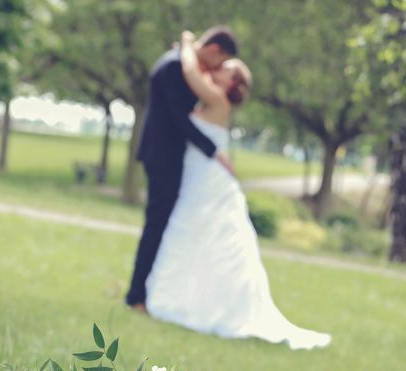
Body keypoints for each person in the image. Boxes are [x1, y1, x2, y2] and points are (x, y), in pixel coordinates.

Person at [144, 31, 331, 350]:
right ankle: (179, 297)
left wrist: (188, 42)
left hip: (206, 177)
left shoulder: (216, 100)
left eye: (226, 69)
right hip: (198, 174)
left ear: (232, 84)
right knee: (191, 236)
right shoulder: (210, 96)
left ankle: (198, 304)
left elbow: (191, 71)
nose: (217, 70)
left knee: (201, 235)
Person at [126, 26, 239, 313]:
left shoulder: (180, 61)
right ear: (214, 50)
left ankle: (148, 291)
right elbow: (179, 120)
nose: (216, 68)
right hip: (164, 157)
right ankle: (137, 295)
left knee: (164, 226)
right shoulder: (177, 66)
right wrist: (215, 152)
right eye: (220, 61)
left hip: (167, 157)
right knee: (157, 225)